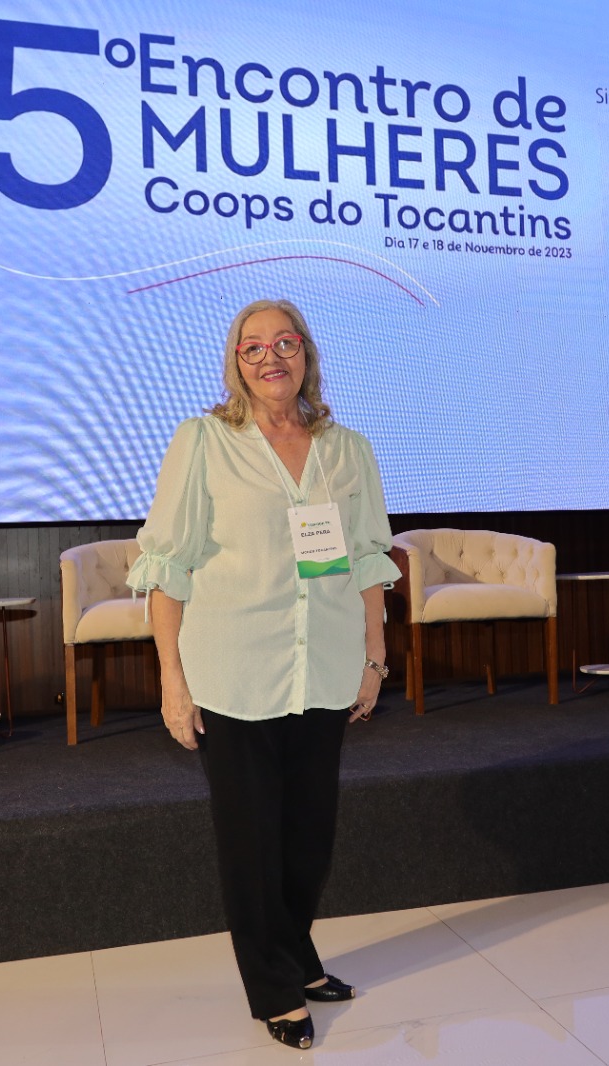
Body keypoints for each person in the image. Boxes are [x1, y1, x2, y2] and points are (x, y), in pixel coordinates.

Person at [127, 299, 400, 1051]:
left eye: (285, 342)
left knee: (309, 837)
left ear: (306, 353)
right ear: (236, 363)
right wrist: (172, 680)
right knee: (252, 842)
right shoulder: (205, 441)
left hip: (324, 667)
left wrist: (374, 658)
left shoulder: (347, 449)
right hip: (234, 670)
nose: (270, 356)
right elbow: (167, 563)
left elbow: (367, 559)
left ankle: (298, 957)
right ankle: (274, 988)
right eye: (253, 347)